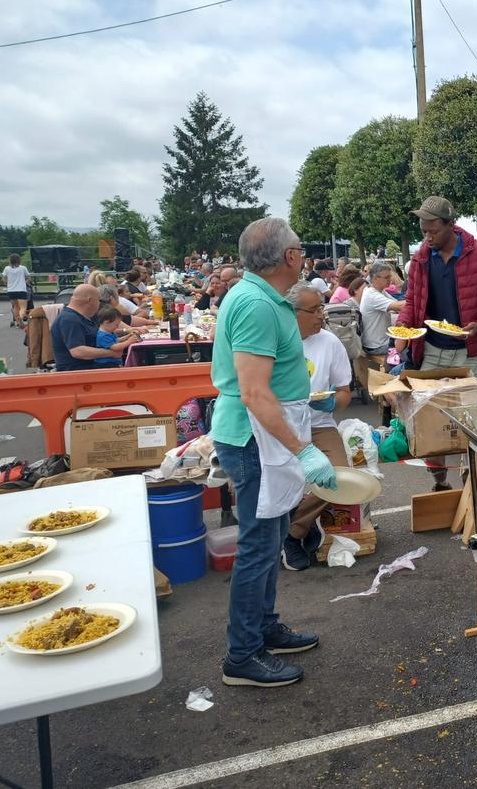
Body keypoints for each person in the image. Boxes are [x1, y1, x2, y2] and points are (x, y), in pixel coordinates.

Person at [210, 217, 336, 688]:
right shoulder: (253, 304)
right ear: (288, 257)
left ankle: (264, 627)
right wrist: (303, 450)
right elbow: (254, 394)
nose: (304, 256)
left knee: (274, 530)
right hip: (253, 437)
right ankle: (242, 655)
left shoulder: (269, 298)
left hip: (267, 435)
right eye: (300, 249)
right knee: (259, 547)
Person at [395, 196, 477, 490]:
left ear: (450, 225)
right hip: (431, 348)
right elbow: (412, 301)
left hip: (470, 352)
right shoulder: (421, 258)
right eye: (423, 230)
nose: (427, 236)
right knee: (428, 416)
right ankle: (439, 480)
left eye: (432, 229)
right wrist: (402, 327)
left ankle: (469, 480)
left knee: (469, 418)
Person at [280, 283, 353, 572]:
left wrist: (333, 403)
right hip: (280, 426)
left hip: (320, 424)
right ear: (291, 312)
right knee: (279, 481)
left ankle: (292, 531)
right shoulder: (275, 341)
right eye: (314, 310)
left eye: (322, 307)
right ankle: (301, 525)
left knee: (340, 476)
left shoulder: (329, 342)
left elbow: (345, 391)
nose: (321, 315)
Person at [51, 284, 123, 371]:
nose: (99, 304)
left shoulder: (82, 317)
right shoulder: (69, 319)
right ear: (90, 300)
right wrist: (111, 353)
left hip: (92, 368)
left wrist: (126, 333)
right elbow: (78, 351)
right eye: (98, 300)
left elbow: (102, 334)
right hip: (78, 373)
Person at [2, 254, 31, 327]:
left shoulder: (6, 268)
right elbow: (29, 278)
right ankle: (22, 318)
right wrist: (25, 282)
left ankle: (18, 322)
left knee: (15, 307)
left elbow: (4, 279)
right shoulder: (23, 268)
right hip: (21, 290)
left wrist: (8, 283)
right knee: (23, 307)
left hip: (11, 291)